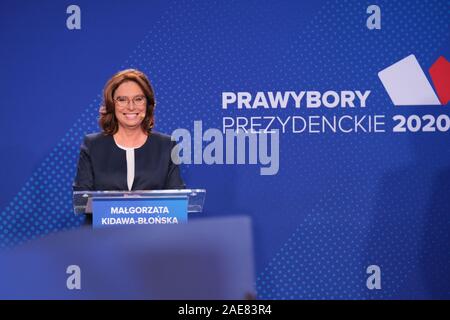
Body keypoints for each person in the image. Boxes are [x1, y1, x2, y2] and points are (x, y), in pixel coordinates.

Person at [73, 69, 185, 192]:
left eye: (138, 99)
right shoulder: (93, 145)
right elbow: (82, 200)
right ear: (112, 104)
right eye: (122, 100)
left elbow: (176, 201)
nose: (131, 107)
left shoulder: (167, 145)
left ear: (147, 104)